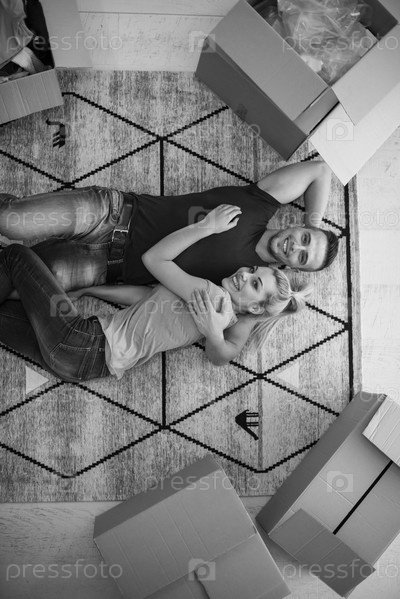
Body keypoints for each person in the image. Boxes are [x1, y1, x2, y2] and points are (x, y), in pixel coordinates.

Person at [0, 205, 312, 383]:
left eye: (255, 285)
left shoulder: (213, 296)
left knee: (15, 256)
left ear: (255, 309)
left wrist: (206, 226)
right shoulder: (216, 314)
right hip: (80, 367)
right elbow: (145, 302)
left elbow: (154, 259)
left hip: (84, 343)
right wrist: (87, 289)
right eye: (254, 270)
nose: (246, 274)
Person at [0, 162, 337, 305]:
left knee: (13, 286)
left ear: (292, 268)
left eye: (302, 258)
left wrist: (90, 291)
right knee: (11, 223)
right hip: (114, 213)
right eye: (306, 238)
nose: (296, 246)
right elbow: (320, 171)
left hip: (105, 267)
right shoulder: (262, 204)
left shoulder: (247, 285)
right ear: (301, 226)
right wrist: (316, 224)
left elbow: (156, 297)